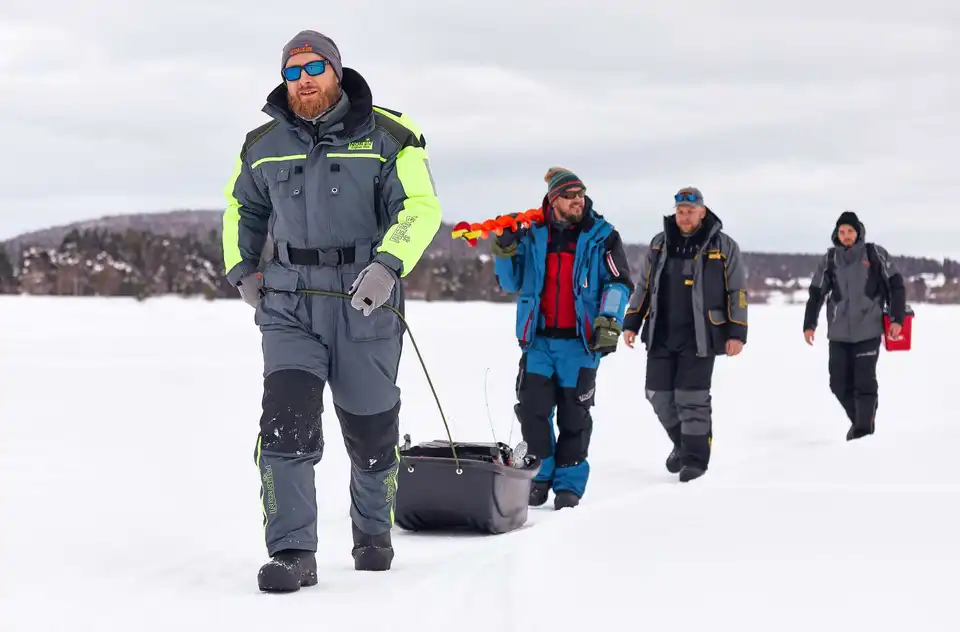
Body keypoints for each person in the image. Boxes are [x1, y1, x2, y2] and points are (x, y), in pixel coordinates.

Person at [221, 30, 441, 592]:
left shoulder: (390, 135)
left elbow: (419, 208)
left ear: (336, 72)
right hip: (289, 302)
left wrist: (388, 266)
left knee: (370, 429)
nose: (303, 80)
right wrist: (243, 270)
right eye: (292, 71)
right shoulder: (262, 144)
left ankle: (372, 533)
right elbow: (241, 207)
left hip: (365, 299)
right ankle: (293, 551)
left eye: (314, 67)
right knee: (285, 422)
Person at [491, 167, 634, 510]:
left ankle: (569, 484)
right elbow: (511, 283)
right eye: (570, 196)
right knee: (532, 412)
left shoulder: (603, 236)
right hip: (538, 342)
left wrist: (609, 319)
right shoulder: (532, 234)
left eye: (581, 195)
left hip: (580, 345)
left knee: (574, 417)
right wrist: (505, 249)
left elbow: (619, 282)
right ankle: (540, 476)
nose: (578, 201)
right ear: (554, 200)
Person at [622, 187, 747, 482]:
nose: (685, 216)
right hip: (661, 332)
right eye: (680, 211)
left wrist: (737, 332)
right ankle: (685, 443)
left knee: (691, 399)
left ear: (702, 212)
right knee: (657, 395)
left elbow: (737, 292)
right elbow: (643, 286)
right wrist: (631, 321)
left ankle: (694, 459)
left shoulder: (724, 245)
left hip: (701, 335)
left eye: (690, 211)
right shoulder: (659, 243)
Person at [802, 211, 906, 441]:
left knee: (864, 381)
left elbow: (896, 285)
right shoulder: (830, 259)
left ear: (858, 232)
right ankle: (862, 422)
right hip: (838, 333)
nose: (846, 236)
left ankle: (863, 432)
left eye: (850, 231)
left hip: (869, 328)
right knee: (838, 383)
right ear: (836, 234)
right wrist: (809, 324)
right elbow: (816, 293)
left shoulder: (875, 253)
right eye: (842, 232)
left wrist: (897, 319)